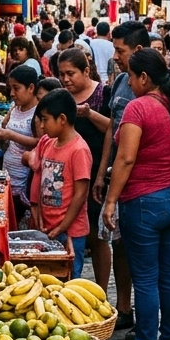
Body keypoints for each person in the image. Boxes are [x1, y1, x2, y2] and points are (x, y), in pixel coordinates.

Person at [102, 49, 170, 340]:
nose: (128, 81)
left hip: (144, 201)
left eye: (131, 76)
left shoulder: (138, 108)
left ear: (144, 77)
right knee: (168, 273)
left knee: (144, 278)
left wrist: (111, 199)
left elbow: (126, 158)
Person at [95, 20, 149, 333]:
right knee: (119, 246)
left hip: (138, 182)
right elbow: (111, 132)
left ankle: (142, 319)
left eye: (120, 50)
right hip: (116, 174)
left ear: (138, 50)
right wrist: (102, 173)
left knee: (139, 251)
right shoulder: (119, 83)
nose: (115, 56)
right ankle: (124, 307)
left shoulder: (155, 86)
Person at [56, 48, 111, 290]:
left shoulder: (103, 93)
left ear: (86, 71)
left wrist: (90, 114)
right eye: (62, 74)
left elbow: (114, 128)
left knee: (97, 236)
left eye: (71, 73)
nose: (66, 79)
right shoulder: (62, 96)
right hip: (66, 176)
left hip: (95, 171)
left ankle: (100, 289)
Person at [29, 89, 94, 280]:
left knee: (69, 280)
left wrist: (62, 227)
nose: (41, 125)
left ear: (62, 119)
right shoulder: (48, 143)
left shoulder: (79, 150)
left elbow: (80, 194)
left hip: (71, 231)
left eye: (45, 119)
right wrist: (40, 215)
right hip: (49, 227)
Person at [0, 65, 41, 223]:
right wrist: (0, 137)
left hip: (24, 179)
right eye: (10, 88)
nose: (12, 93)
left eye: (16, 88)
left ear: (31, 88)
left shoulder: (39, 113)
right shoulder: (15, 109)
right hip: (8, 173)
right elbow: (6, 132)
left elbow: (41, 142)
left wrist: (11, 135)